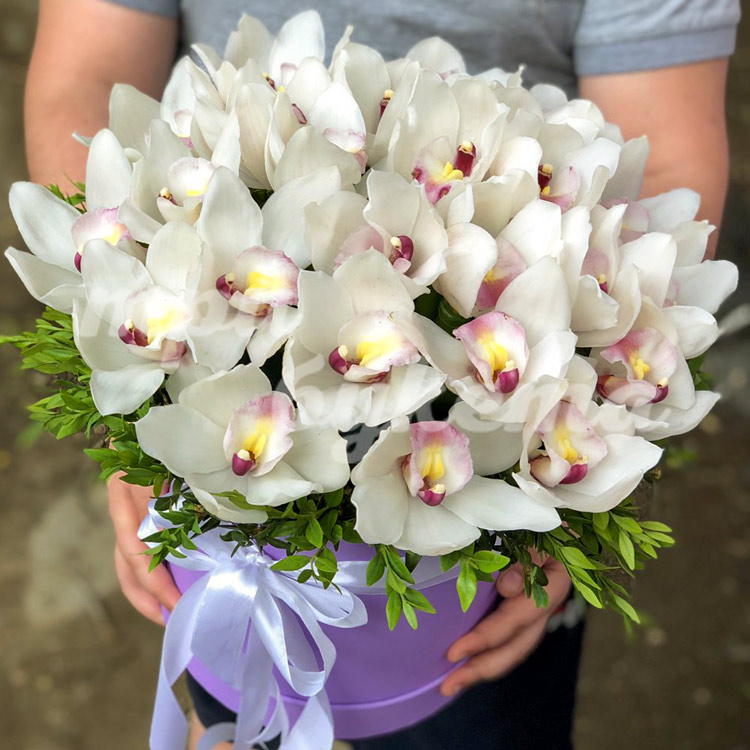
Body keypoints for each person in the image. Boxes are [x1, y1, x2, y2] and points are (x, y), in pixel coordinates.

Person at [24, 1, 740, 748]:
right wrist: (134, 409)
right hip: (243, 306)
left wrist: (568, 521)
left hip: (475, 593)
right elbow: (88, 73)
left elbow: (667, 164)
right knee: (238, 714)